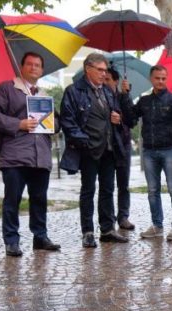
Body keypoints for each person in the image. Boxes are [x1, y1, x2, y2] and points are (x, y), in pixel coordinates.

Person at [0, 51, 61, 257]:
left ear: (42, 70)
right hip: (15, 156)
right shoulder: (6, 89)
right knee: (12, 200)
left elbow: (57, 125)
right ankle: (11, 241)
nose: (34, 68)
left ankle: (40, 237)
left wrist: (51, 122)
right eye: (30, 64)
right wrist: (19, 123)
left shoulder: (44, 95)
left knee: (39, 199)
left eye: (38, 65)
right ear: (21, 67)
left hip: (40, 156)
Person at [60, 53, 129, 248]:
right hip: (88, 150)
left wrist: (117, 118)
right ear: (87, 68)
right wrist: (86, 142)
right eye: (99, 70)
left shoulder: (108, 92)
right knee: (88, 191)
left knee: (108, 190)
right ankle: (88, 232)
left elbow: (118, 116)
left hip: (108, 149)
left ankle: (107, 229)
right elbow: (68, 122)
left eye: (105, 70)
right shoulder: (73, 91)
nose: (103, 74)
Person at [122, 65, 172, 241]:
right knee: (152, 190)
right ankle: (157, 225)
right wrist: (125, 95)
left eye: (164, 78)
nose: (161, 81)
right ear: (152, 79)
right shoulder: (144, 101)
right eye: (157, 78)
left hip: (171, 150)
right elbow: (130, 119)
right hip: (149, 151)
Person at [104, 67, 135, 230]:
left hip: (123, 145)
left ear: (116, 81)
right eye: (103, 79)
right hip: (107, 147)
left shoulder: (123, 96)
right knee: (107, 186)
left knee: (123, 184)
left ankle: (123, 216)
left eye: (108, 79)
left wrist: (126, 96)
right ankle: (109, 218)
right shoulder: (99, 96)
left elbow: (132, 120)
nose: (105, 82)